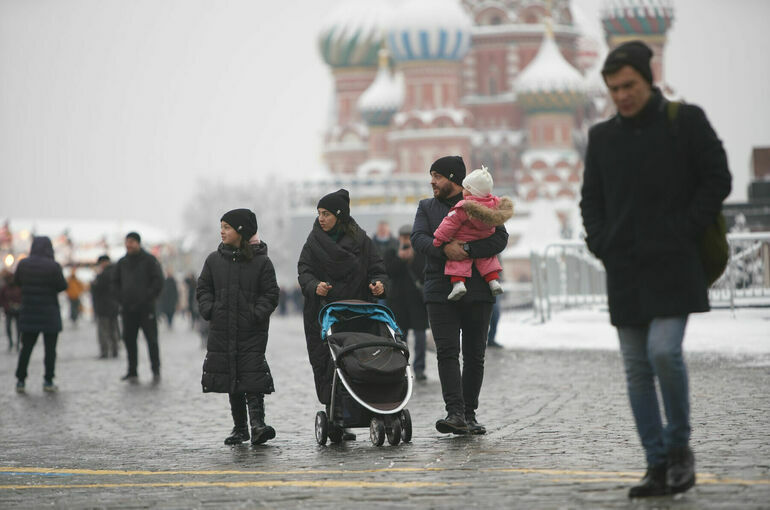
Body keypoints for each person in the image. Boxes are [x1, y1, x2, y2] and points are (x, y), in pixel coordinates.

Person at [579, 41, 732, 498]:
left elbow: (717, 177)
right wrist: (600, 241)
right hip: (625, 267)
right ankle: (656, 464)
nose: (622, 96)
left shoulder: (684, 122)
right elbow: (592, 199)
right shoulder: (603, 137)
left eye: (629, 85)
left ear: (649, 79)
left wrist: (685, 228)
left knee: (664, 352)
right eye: (613, 89)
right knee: (635, 369)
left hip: (673, 263)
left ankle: (679, 449)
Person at [411, 156, 508, 435]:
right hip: (440, 290)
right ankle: (454, 413)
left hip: (478, 290)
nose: (432, 182)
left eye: (437, 176)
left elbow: (500, 238)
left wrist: (465, 250)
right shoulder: (426, 207)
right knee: (447, 352)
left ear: (454, 179)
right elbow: (418, 238)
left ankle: (469, 413)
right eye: (431, 176)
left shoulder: (483, 204)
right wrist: (444, 250)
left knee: (475, 354)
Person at [297, 189, 388, 423]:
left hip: (359, 313)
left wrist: (379, 285)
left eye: (326, 213)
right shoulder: (313, 241)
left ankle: (365, 409)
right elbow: (304, 271)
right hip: (324, 313)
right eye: (319, 213)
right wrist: (315, 285)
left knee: (361, 362)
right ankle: (336, 412)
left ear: (339, 215)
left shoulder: (362, 241)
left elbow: (378, 269)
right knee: (328, 364)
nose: (321, 218)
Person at [197, 208, 279, 446]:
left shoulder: (262, 262)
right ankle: (240, 427)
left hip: (251, 330)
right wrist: (210, 310)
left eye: (227, 227)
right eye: (221, 226)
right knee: (230, 375)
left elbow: (271, 293)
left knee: (252, 373)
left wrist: (257, 314)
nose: (221, 231)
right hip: (222, 329)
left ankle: (258, 425)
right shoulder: (214, 260)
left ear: (241, 231)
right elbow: (203, 288)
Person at [432, 165, 513, 301]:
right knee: (488, 259)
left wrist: (438, 240)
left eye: (465, 188)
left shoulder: (464, 208)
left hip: (463, 239)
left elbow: (449, 224)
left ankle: (458, 284)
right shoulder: (494, 206)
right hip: (485, 239)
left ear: (470, 191)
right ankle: (493, 282)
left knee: (458, 262)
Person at [14, 236, 68, 393]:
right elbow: (62, 285)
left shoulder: (24, 264)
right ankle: (48, 379)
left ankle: (21, 380)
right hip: (49, 312)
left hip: (29, 312)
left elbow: (17, 282)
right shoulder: (53, 266)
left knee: (26, 348)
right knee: (50, 350)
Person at [112, 231, 163, 383]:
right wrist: (121, 298)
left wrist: (148, 297)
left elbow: (158, 281)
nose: (129, 245)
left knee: (152, 340)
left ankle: (155, 369)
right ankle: (132, 370)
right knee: (129, 340)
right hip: (127, 309)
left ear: (138, 243)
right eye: (127, 242)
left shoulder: (149, 260)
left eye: (132, 242)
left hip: (146, 308)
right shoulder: (122, 262)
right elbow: (114, 283)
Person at [384, 225, 429, 381]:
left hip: (417, 302)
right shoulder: (391, 252)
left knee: (420, 336)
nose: (406, 240)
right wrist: (400, 259)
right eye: (403, 237)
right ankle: (402, 368)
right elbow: (388, 272)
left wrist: (412, 258)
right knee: (399, 338)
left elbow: (424, 274)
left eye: (408, 236)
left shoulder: (422, 253)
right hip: (398, 302)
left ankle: (419, 369)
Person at [91, 255, 120, 359]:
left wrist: (95, 281)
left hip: (103, 306)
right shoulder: (116, 272)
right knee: (113, 329)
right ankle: (115, 349)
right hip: (114, 306)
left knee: (103, 330)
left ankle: (105, 351)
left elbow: (96, 288)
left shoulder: (103, 275)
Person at [0, 269, 22, 351]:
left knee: (18, 327)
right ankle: (11, 342)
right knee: (8, 327)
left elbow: (22, 297)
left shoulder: (19, 286)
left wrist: (19, 305)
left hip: (18, 310)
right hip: (8, 310)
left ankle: (18, 342)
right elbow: (1, 298)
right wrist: (6, 306)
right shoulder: (5, 287)